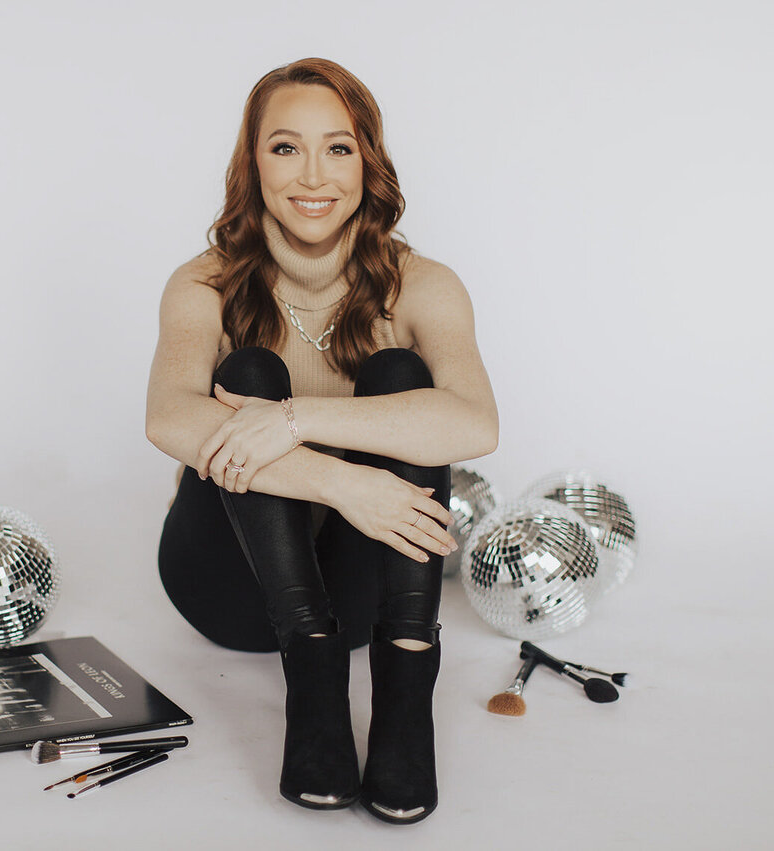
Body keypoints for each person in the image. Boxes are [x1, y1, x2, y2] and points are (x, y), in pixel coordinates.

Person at [145, 58, 498, 825]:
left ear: (368, 161)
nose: (313, 174)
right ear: (252, 162)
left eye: (337, 148)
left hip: (361, 589)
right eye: (285, 147)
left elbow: (475, 421)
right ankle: (314, 686)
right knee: (248, 369)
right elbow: (169, 417)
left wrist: (295, 420)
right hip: (228, 584)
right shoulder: (203, 282)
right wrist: (345, 482)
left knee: (402, 370)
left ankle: (405, 700)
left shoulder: (421, 283)